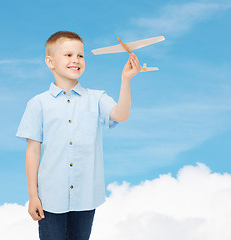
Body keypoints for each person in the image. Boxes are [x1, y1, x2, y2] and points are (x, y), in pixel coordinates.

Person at [16, 31, 141, 240]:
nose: (76, 60)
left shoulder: (97, 98)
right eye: (68, 55)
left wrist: (126, 80)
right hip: (49, 197)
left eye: (80, 56)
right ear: (50, 61)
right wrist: (32, 195)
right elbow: (33, 151)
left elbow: (121, 115)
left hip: (86, 197)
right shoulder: (37, 104)